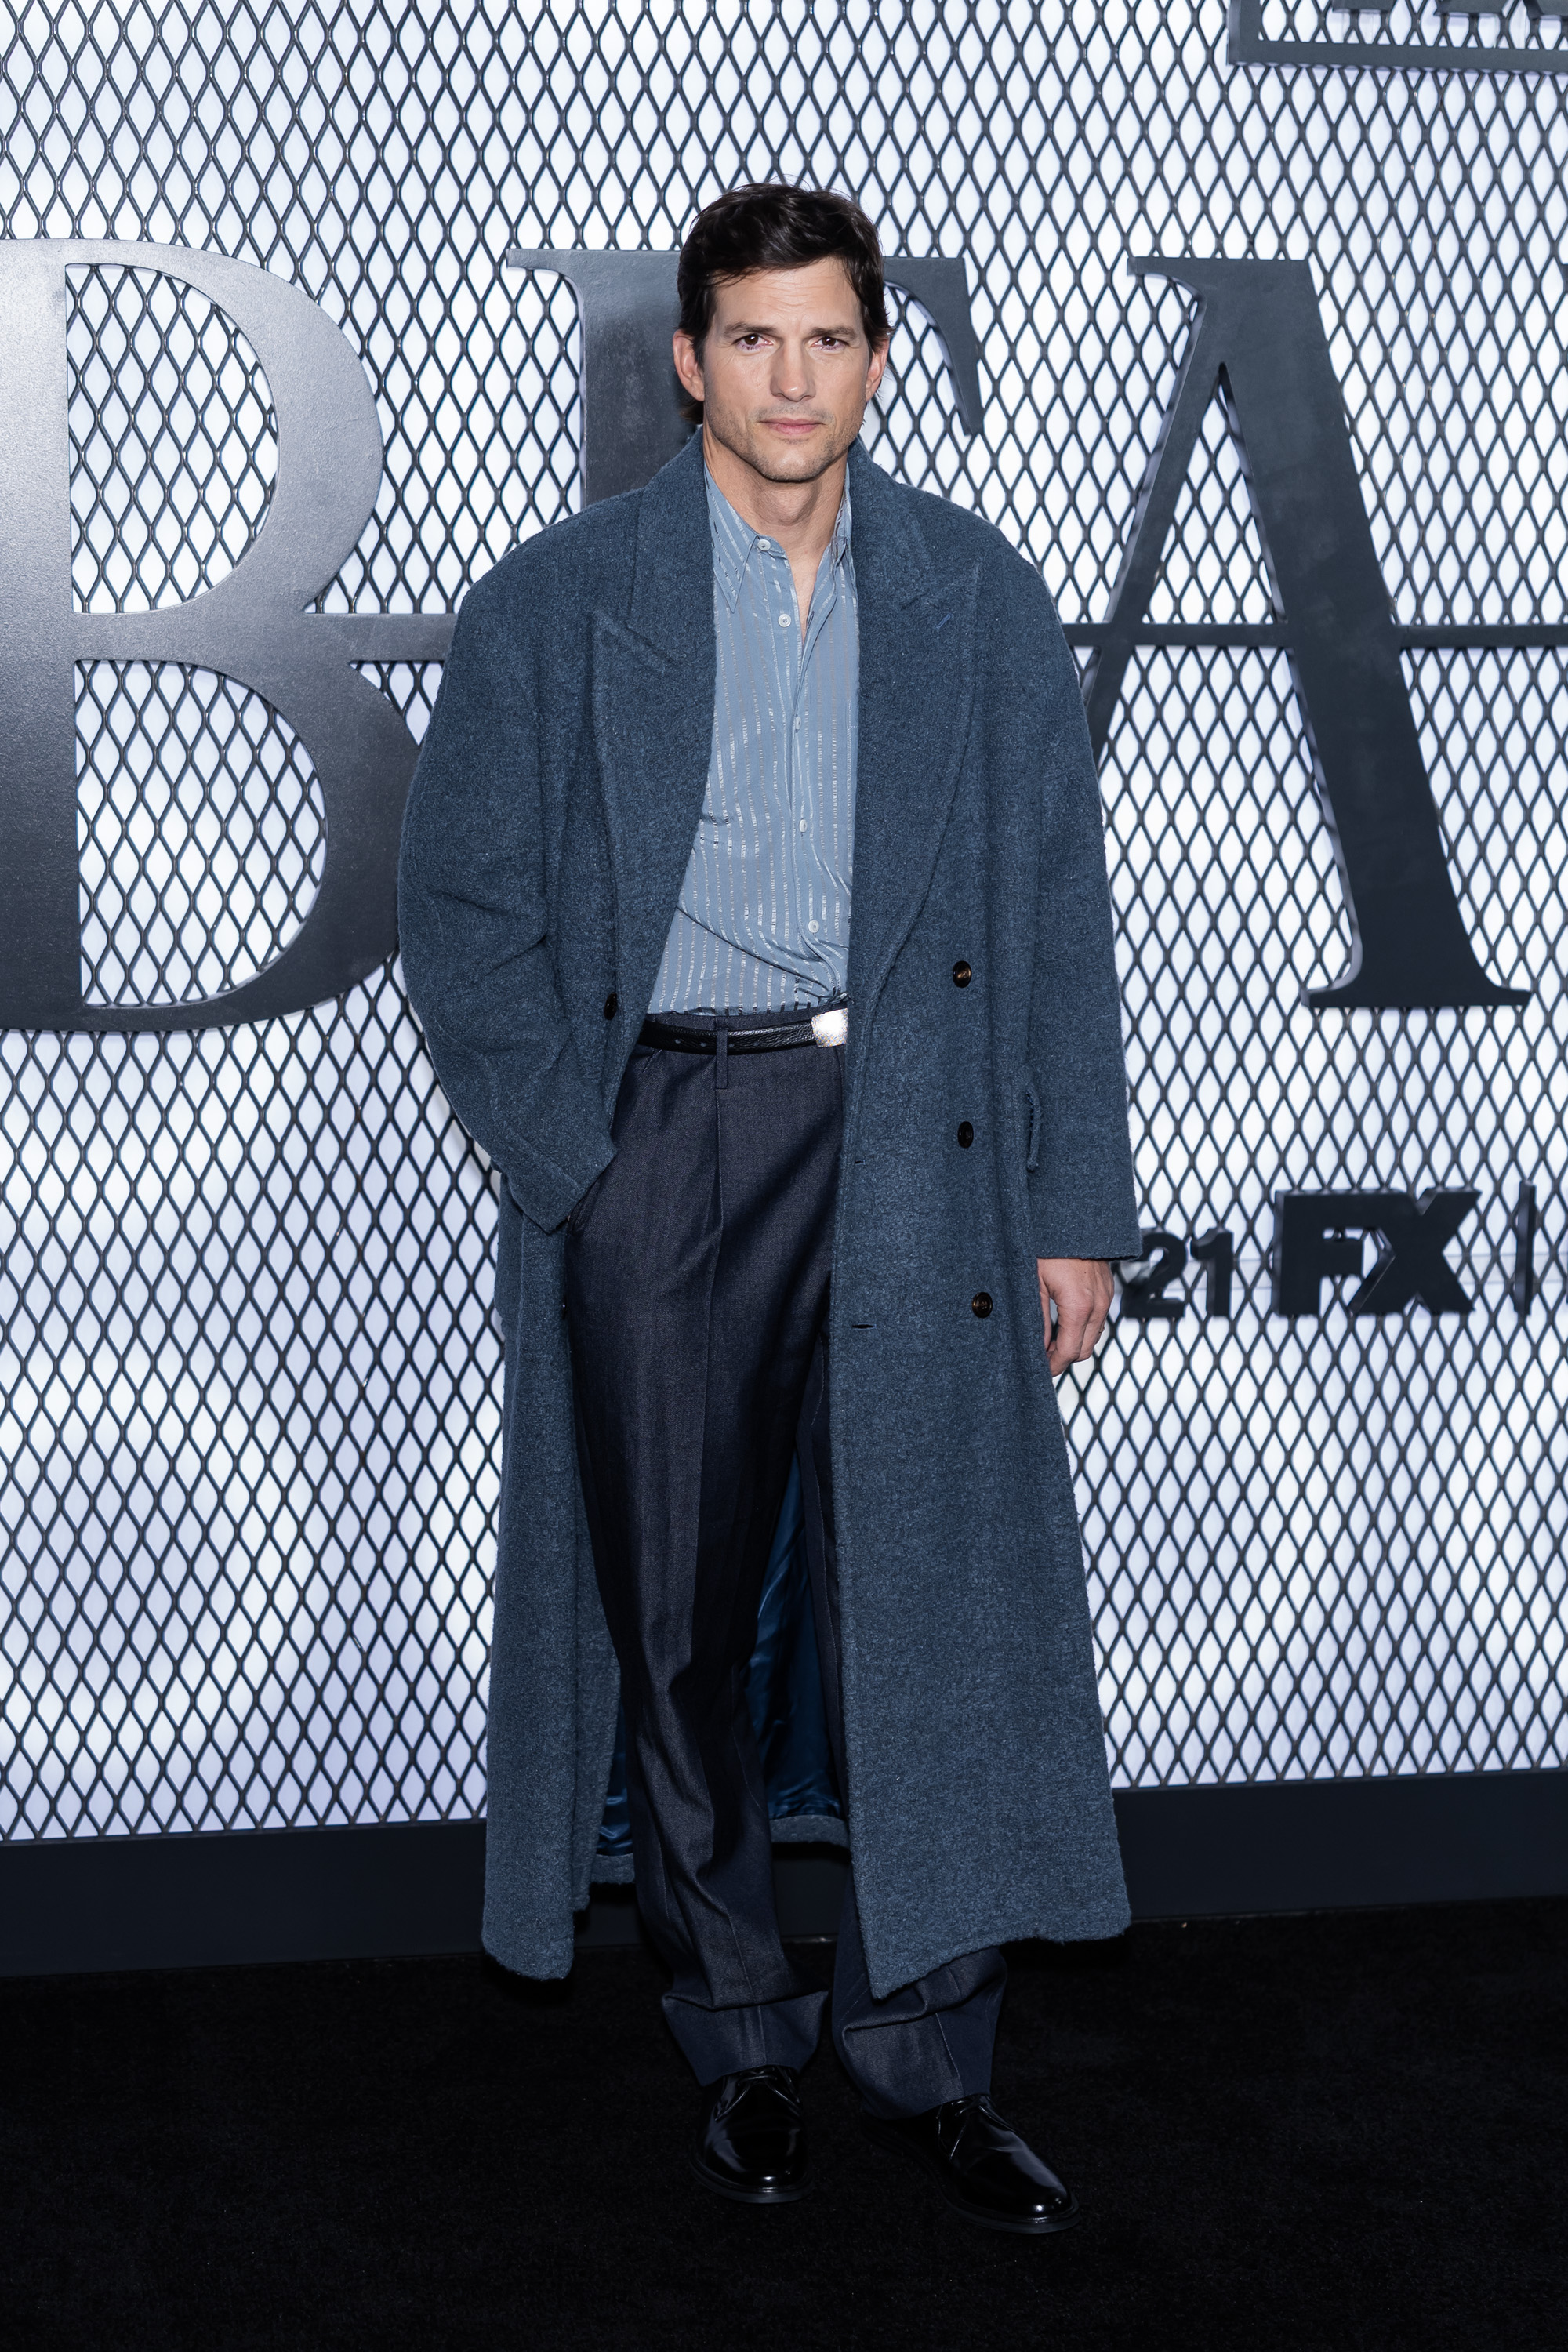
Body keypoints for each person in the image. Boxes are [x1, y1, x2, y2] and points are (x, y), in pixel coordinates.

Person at [397, 183, 1140, 2234]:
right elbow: (459, 910)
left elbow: (1060, 925)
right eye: (753, 339)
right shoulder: (556, 603)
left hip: (918, 1138)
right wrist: (579, 1156)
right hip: (668, 1136)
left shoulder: (981, 598)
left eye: (828, 338)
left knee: (932, 1611)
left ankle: (930, 2055)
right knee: (678, 1619)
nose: (792, 379)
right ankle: (738, 2031)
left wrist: (1075, 1207)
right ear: (689, 361)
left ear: (878, 357)